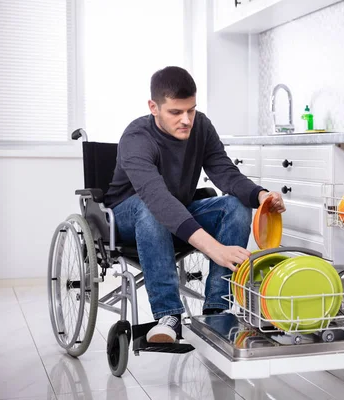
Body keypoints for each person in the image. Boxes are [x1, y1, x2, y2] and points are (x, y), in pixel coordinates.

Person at [104, 66, 285, 344]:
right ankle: (168, 316)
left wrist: (260, 195)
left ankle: (217, 309)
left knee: (235, 206)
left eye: (191, 109)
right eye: (175, 112)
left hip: (178, 209)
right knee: (151, 209)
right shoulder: (136, 138)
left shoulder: (201, 126)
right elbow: (158, 199)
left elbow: (225, 172)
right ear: (154, 107)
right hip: (127, 217)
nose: (186, 119)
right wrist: (214, 248)